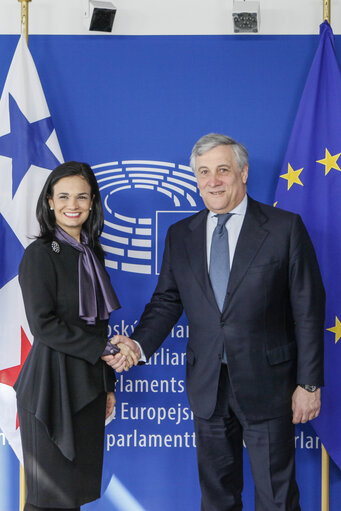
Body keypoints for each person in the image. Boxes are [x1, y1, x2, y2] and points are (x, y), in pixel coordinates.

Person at [106, 134, 325, 511]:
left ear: (242, 173)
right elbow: (167, 301)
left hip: (268, 385)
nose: (213, 180)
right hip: (208, 386)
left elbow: (308, 309)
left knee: (277, 498)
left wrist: (308, 383)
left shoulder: (284, 228)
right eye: (204, 172)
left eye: (223, 170)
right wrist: (137, 346)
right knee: (217, 497)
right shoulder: (181, 235)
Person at [14, 161, 137, 511]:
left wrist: (107, 384)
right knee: (48, 500)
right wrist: (105, 352)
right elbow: (44, 325)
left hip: (86, 387)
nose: (73, 205)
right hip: (50, 388)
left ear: (93, 202)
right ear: (50, 202)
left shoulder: (92, 253)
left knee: (72, 497)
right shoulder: (40, 254)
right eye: (64, 196)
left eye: (82, 197)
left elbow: (97, 326)